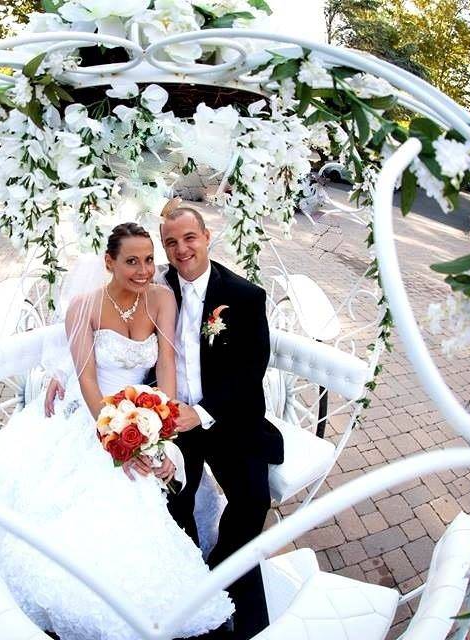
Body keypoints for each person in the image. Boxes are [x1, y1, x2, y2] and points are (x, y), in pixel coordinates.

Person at [0, 222, 234, 640]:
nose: (143, 270)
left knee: (159, 479)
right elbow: (85, 380)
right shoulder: (84, 306)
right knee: (115, 491)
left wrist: (161, 425)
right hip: (94, 411)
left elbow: (168, 365)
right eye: (132, 261)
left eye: (149, 260)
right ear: (109, 262)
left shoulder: (162, 298)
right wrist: (115, 436)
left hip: (144, 407)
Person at [160, 206, 284, 640]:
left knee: (253, 501)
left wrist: (205, 410)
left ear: (207, 236)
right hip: (176, 421)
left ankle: (216, 576)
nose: (181, 249)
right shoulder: (156, 288)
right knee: (173, 500)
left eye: (189, 238)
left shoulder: (245, 296)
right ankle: (188, 581)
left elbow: (252, 369)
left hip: (227, 417)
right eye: (171, 242)